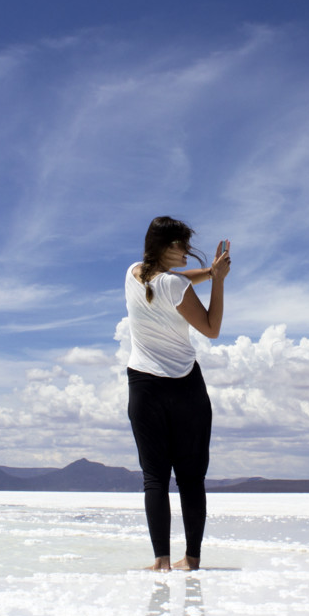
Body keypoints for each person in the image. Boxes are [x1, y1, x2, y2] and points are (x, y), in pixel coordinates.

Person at [124, 216, 231, 572]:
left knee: (154, 478)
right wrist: (219, 283)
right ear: (168, 247)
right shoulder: (174, 287)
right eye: (182, 245)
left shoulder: (134, 273)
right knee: (190, 478)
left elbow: (170, 279)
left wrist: (209, 273)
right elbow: (212, 329)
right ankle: (192, 560)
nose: (187, 252)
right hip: (185, 389)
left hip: (143, 388)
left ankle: (161, 562)